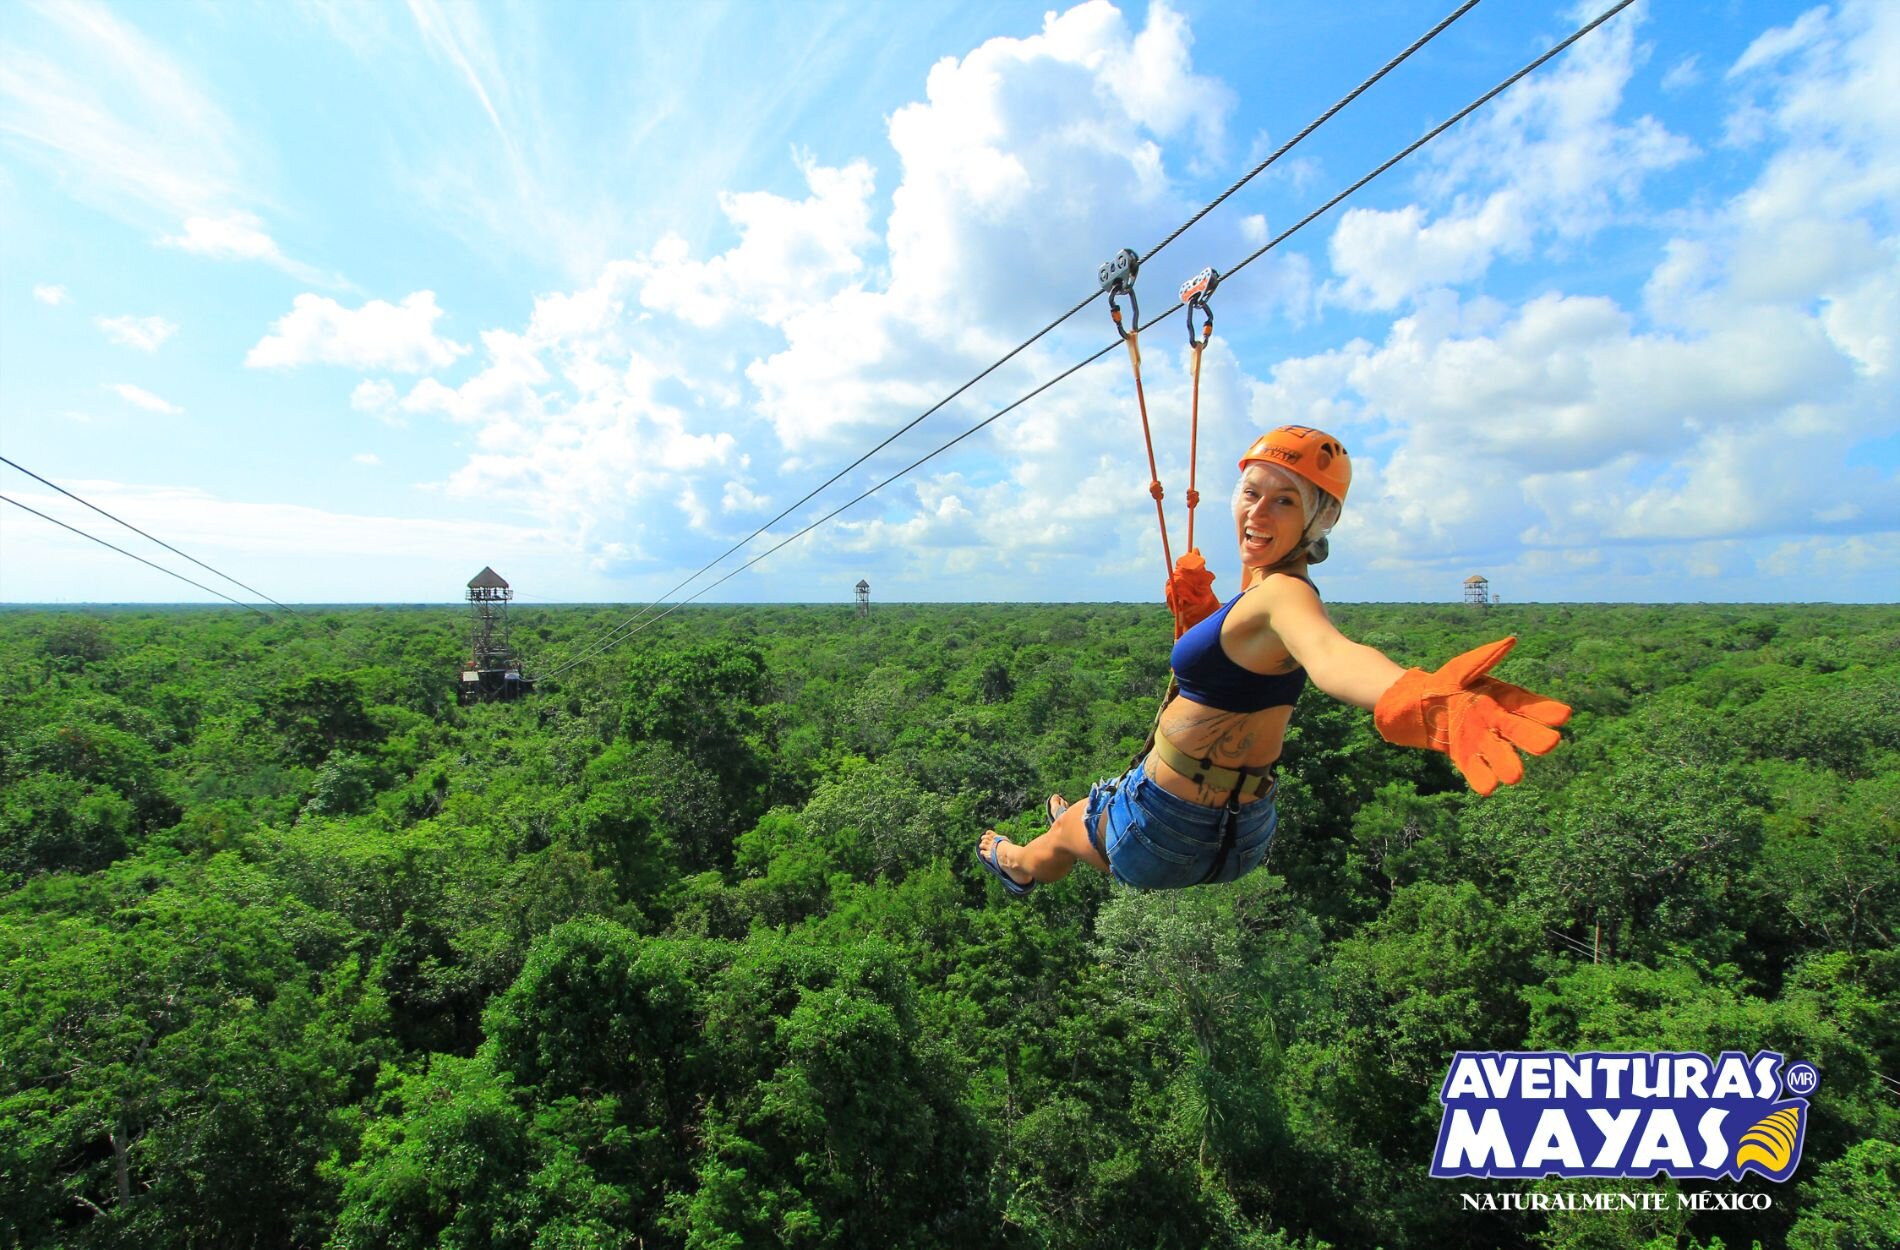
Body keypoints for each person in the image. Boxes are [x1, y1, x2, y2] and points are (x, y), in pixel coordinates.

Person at [976, 424, 1572, 895]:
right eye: (1251, 493)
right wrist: (1207, 615)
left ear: (1322, 518)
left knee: (1056, 839)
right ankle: (1091, 807)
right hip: (1242, 833)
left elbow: (1332, 655)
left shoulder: (1286, 596)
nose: (1258, 513)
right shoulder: (1262, 591)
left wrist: (1412, 695)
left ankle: (1019, 861)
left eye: (1284, 501)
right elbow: (1244, 660)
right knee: (1093, 805)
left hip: (1163, 831)